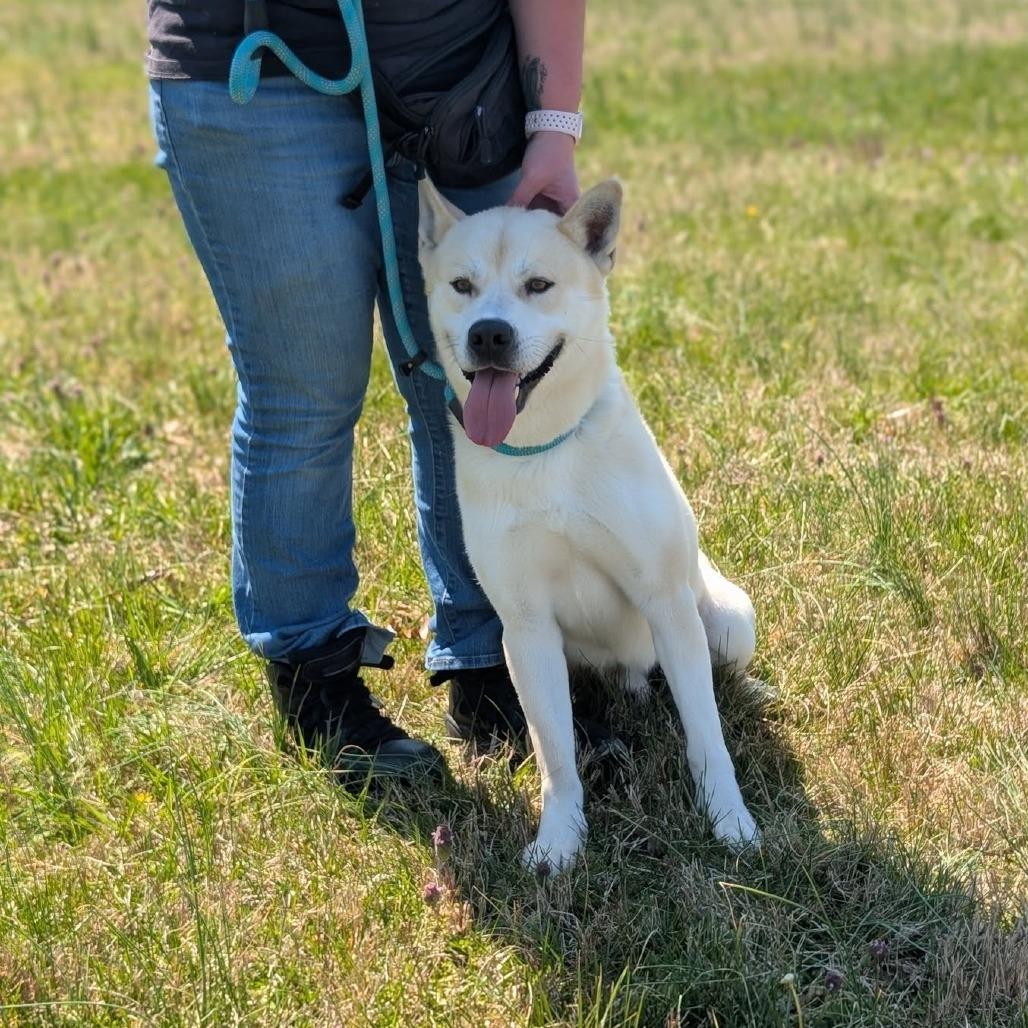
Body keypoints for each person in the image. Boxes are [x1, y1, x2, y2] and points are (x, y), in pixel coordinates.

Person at [145, 0, 591, 782]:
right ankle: (313, 673)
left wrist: (554, 123)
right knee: (303, 397)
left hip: (460, 74)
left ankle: (497, 656)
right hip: (250, 74)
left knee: (483, 384)